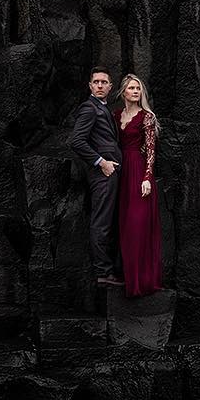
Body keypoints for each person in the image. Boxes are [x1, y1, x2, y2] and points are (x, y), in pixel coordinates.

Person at [68, 67, 124, 285]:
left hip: (110, 173)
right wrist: (101, 162)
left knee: (108, 221)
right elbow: (76, 141)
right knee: (101, 221)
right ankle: (103, 272)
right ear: (90, 86)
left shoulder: (103, 108)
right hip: (103, 174)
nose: (100, 85)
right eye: (96, 82)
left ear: (110, 87)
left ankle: (109, 269)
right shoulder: (89, 108)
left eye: (104, 82)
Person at [113, 74, 163, 298]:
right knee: (123, 226)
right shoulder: (116, 115)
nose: (136, 92)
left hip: (139, 173)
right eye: (132, 88)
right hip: (120, 173)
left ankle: (140, 282)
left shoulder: (147, 117)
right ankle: (127, 279)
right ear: (123, 92)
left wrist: (147, 178)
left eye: (139, 89)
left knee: (137, 226)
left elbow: (151, 150)